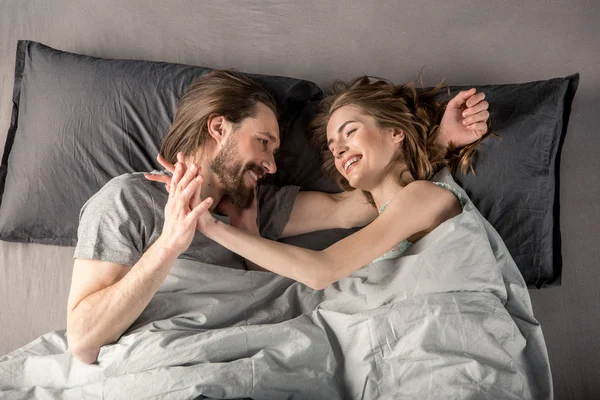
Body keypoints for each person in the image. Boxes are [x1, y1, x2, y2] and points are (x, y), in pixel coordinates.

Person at [66, 70, 489, 364]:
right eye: (264, 142)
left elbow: (366, 206)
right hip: (158, 355)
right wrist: (171, 242)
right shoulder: (126, 201)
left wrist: (438, 142)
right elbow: (83, 342)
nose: (271, 165)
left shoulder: (255, 205)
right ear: (219, 129)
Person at [162, 76, 488, 289]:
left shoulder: (421, 196)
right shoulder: (390, 208)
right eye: (332, 147)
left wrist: (209, 225)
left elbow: (321, 270)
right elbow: (363, 205)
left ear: (395, 132)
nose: (339, 150)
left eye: (350, 132)